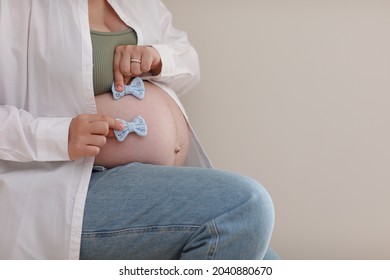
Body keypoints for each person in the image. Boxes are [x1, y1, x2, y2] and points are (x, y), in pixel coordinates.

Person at [0, 0, 277, 259]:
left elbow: (188, 61)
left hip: (144, 176)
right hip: (64, 186)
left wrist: (158, 58)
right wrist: (60, 135)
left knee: (270, 262)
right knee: (244, 208)